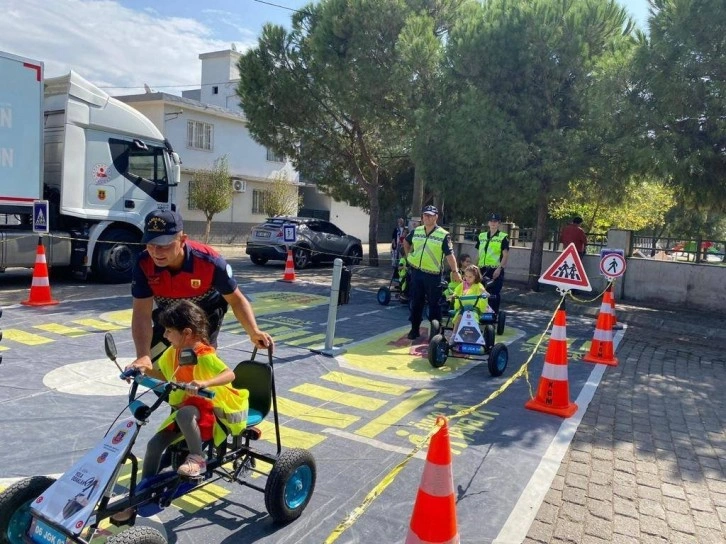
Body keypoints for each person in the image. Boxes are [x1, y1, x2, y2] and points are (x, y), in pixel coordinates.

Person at [114, 300, 248, 521]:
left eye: (168, 331)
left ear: (186, 333)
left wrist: (205, 384)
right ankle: (141, 495)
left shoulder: (203, 354)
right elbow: (162, 374)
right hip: (188, 409)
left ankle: (198, 458)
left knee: (185, 415)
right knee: (154, 445)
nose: (165, 335)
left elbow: (229, 374)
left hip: (213, 410)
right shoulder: (173, 353)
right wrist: (139, 370)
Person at [131, 209, 273, 371]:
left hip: (204, 315)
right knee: (152, 367)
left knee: (198, 365)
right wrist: (143, 355)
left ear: (183, 240)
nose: (156, 253)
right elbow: (141, 313)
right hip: (170, 315)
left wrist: (254, 332)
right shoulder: (143, 263)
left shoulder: (210, 261)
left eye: (165, 246)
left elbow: (236, 300)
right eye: (151, 245)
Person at [403, 205, 461, 340]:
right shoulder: (417, 231)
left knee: (434, 304)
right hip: (416, 272)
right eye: (425, 215)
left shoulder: (443, 234)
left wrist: (455, 271)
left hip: (433, 275)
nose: (427, 217)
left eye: (430, 215)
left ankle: (435, 333)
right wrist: (408, 257)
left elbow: (450, 255)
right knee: (416, 302)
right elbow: (405, 242)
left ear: (436, 217)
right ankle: (414, 329)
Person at [475, 213, 509, 314]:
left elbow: (505, 255)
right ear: (488, 223)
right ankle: (479, 313)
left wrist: (500, 269)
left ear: (499, 224)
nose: (493, 223)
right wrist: (474, 267)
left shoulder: (503, 237)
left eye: (495, 222)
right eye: (491, 221)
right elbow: (478, 254)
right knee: (479, 291)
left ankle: (493, 315)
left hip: (495, 269)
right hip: (481, 269)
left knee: (494, 293)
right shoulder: (481, 236)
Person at [451, 264, 489, 333]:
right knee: (458, 317)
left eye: (470, 277)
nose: (467, 278)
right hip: (462, 307)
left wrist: (485, 294)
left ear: (476, 277)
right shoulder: (462, 284)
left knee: (474, 318)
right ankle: (454, 335)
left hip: (474, 308)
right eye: (466, 276)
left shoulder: (478, 286)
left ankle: (475, 334)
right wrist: (453, 295)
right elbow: (456, 291)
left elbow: (485, 293)